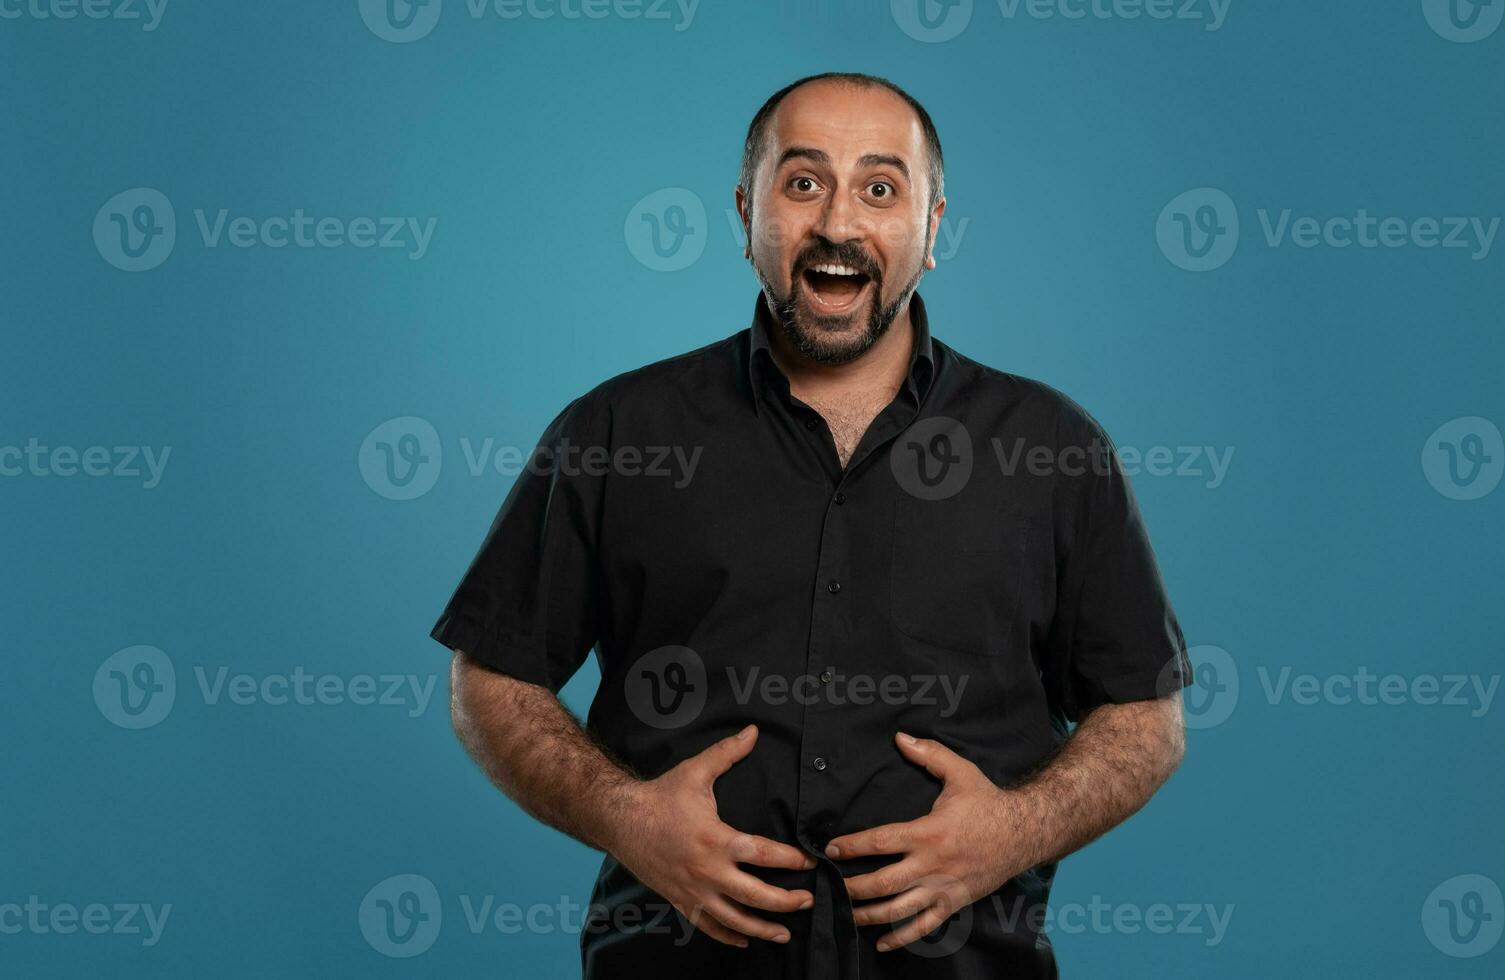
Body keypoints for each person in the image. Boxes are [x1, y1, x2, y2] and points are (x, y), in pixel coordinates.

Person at [431, 71, 1191, 979]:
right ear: (746, 213)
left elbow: (1144, 716)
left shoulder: (1052, 447)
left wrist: (1012, 831)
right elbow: (492, 680)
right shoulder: (615, 434)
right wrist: (626, 819)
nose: (837, 224)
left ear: (932, 226)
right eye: (802, 184)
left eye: (880, 188)